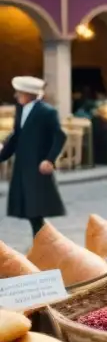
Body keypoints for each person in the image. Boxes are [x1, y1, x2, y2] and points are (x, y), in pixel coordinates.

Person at [0, 77, 67, 238]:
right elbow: (16, 135)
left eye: (19, 93)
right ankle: (42, 240)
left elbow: (59, 136)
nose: (16, 96)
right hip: (22, 164)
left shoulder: (47, 112)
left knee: (35, 208)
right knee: (29, 208)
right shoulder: (20, 110)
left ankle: (45, 241)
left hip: (37, 165)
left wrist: (50, 159)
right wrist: (2, 155)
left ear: (29, 94)